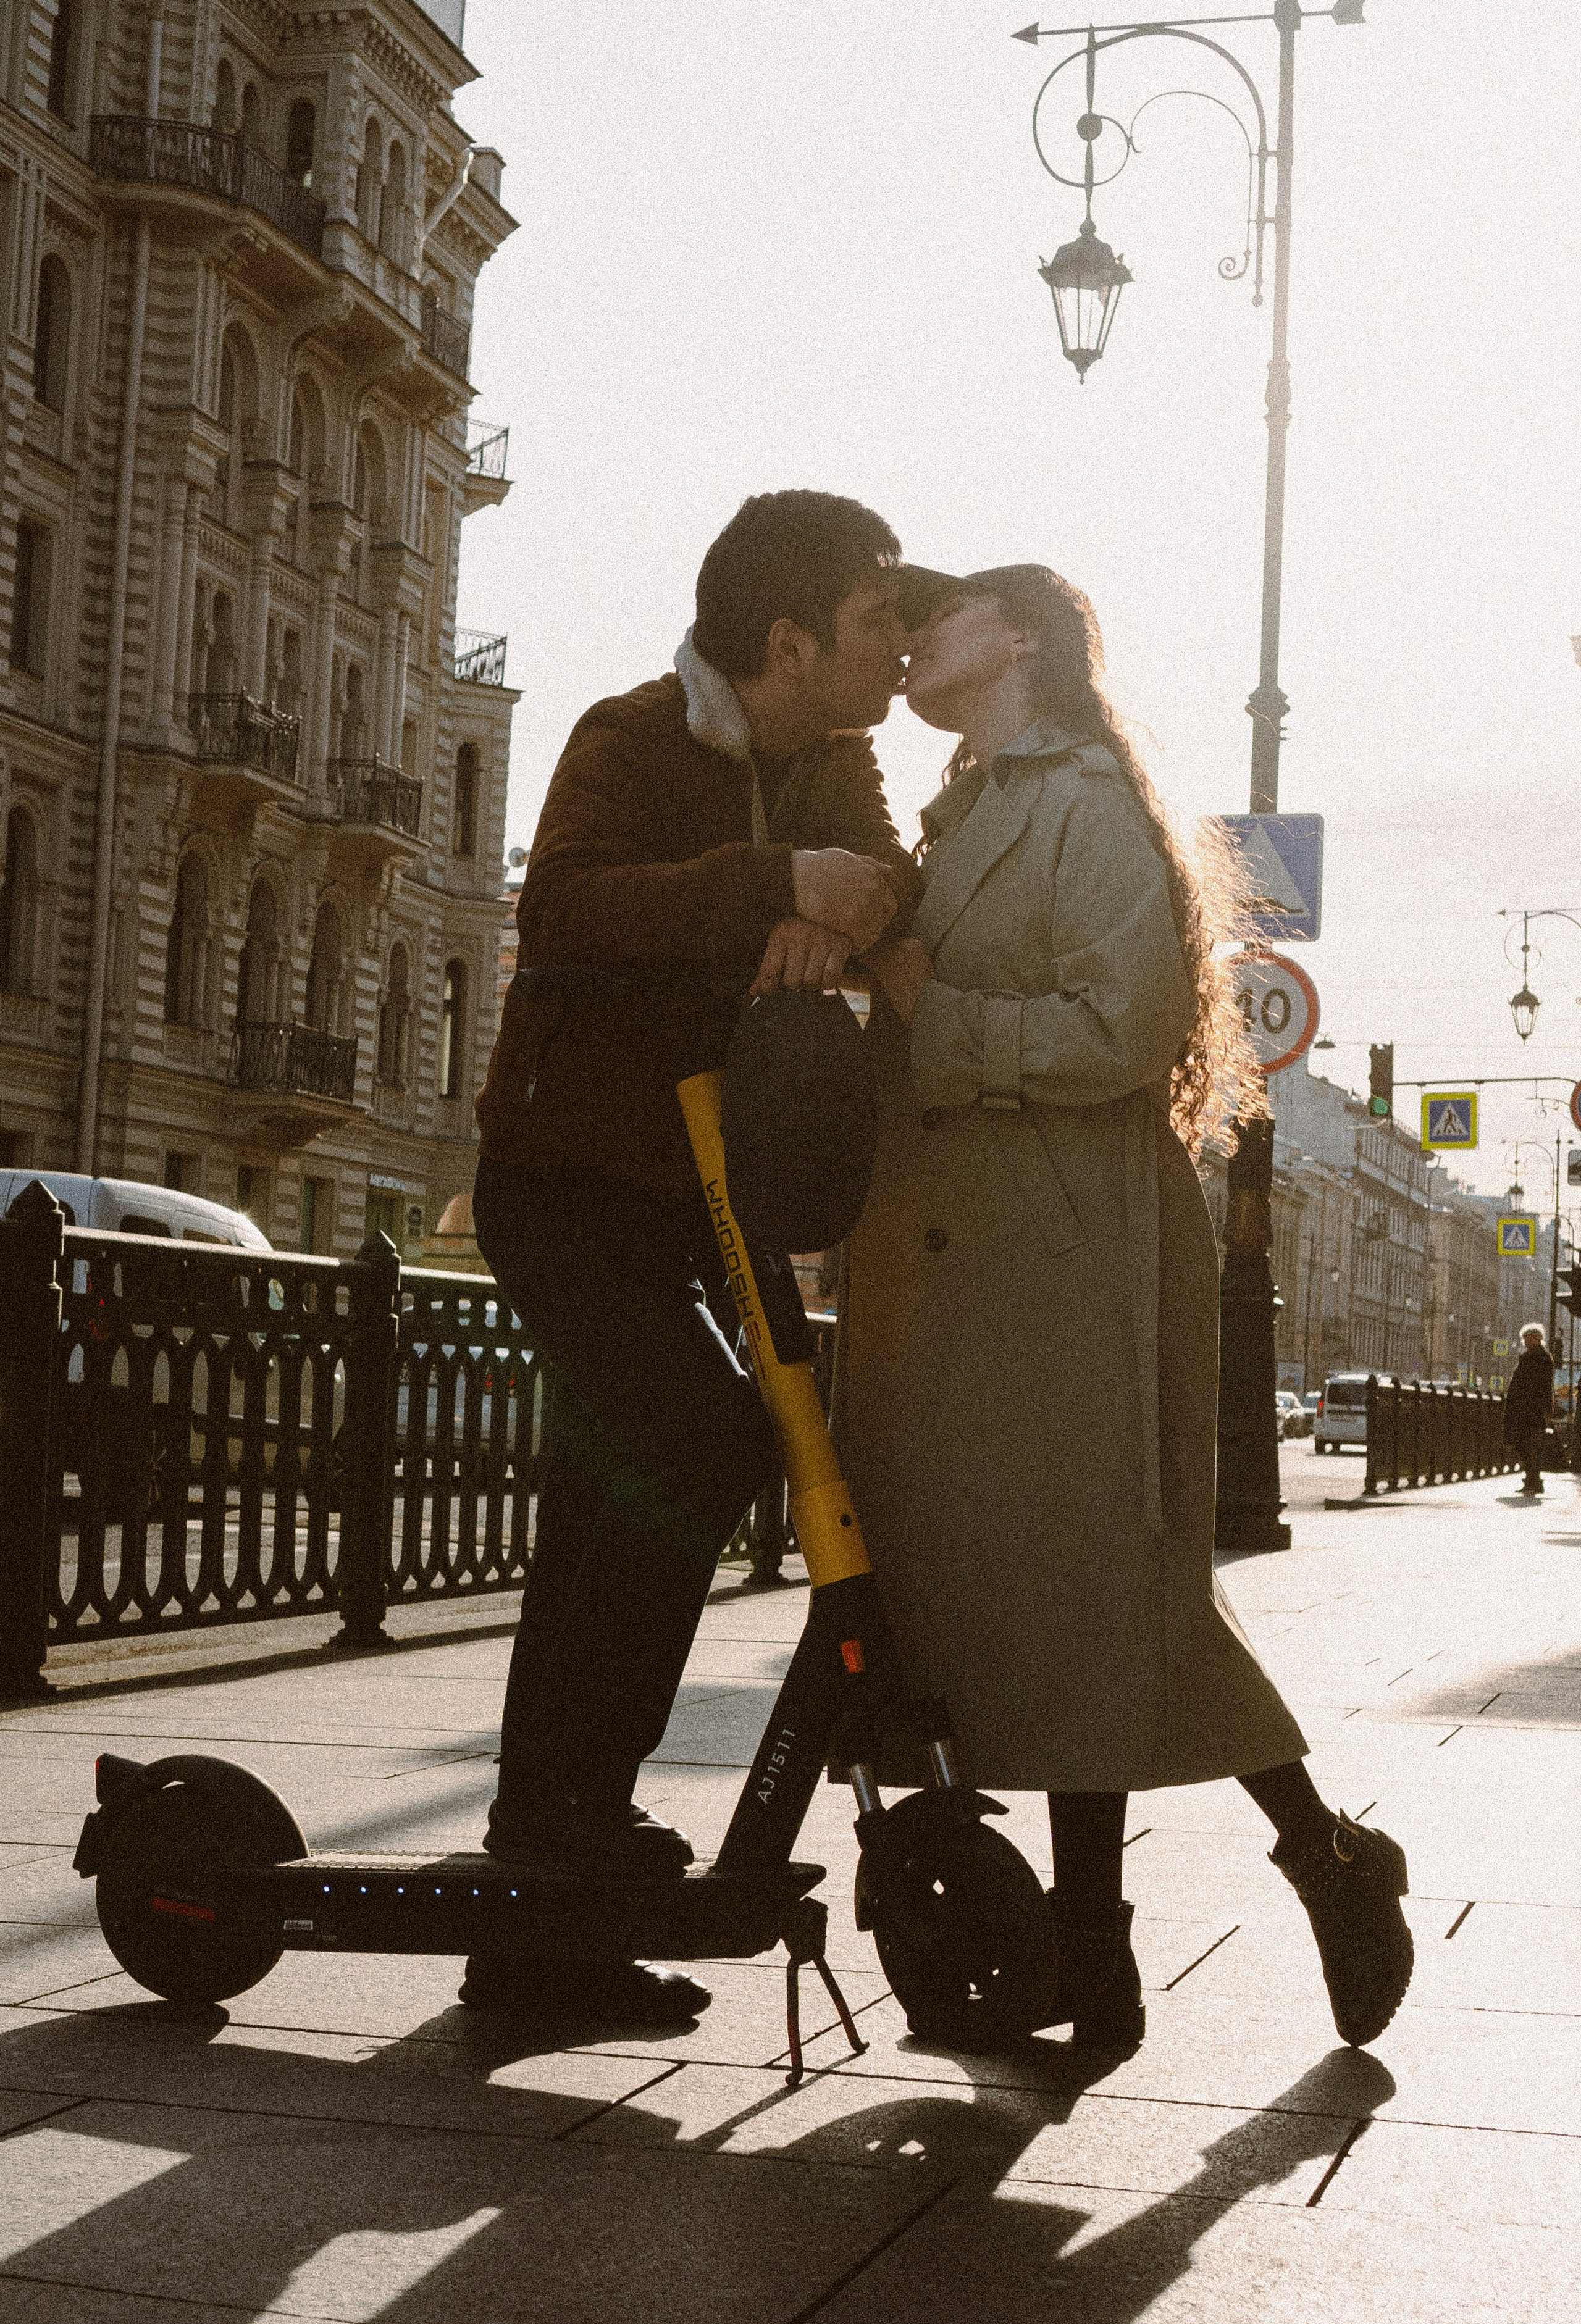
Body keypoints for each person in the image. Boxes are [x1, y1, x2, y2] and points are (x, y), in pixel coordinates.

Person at [847, 561, 1414, 2054]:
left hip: (1065, 1257)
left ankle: (1271, 1884)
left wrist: (924, 1005)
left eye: (943, 613)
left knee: (1099, 1601)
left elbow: (1127, 1026)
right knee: (1041, 1618)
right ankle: (1143, 1936)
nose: (913, 638)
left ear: (1020, 636)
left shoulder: (1081, 799)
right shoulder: (968, 800)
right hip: (971, 1264)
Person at [464, 491, 918, 2020]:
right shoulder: (630, 734)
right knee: (687, 1432)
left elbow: (885, 871)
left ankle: (538, 1918)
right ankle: (563, 1830)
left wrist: (844, 911)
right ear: (790, 642)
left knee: (608, 1492)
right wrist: (779, 888)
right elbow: (572, 903)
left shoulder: (834, 762)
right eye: (876, 618)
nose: (899, 641)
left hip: (690, 1201)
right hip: (564, 1182)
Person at [1504, 1323, 1555, 1495]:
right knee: (1525, 1445)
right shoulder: (1532, 1356)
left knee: (1527, 1445)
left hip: (1530, 1410)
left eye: (1530, 1338)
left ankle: (1533, 1481)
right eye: (1525, 1338)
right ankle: (1533, 1481)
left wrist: (1546, 1409)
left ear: (1539, 1339)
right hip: (1523, 1409)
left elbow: (1545, 1386)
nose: (1526, 1341)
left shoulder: (1540, 1358)